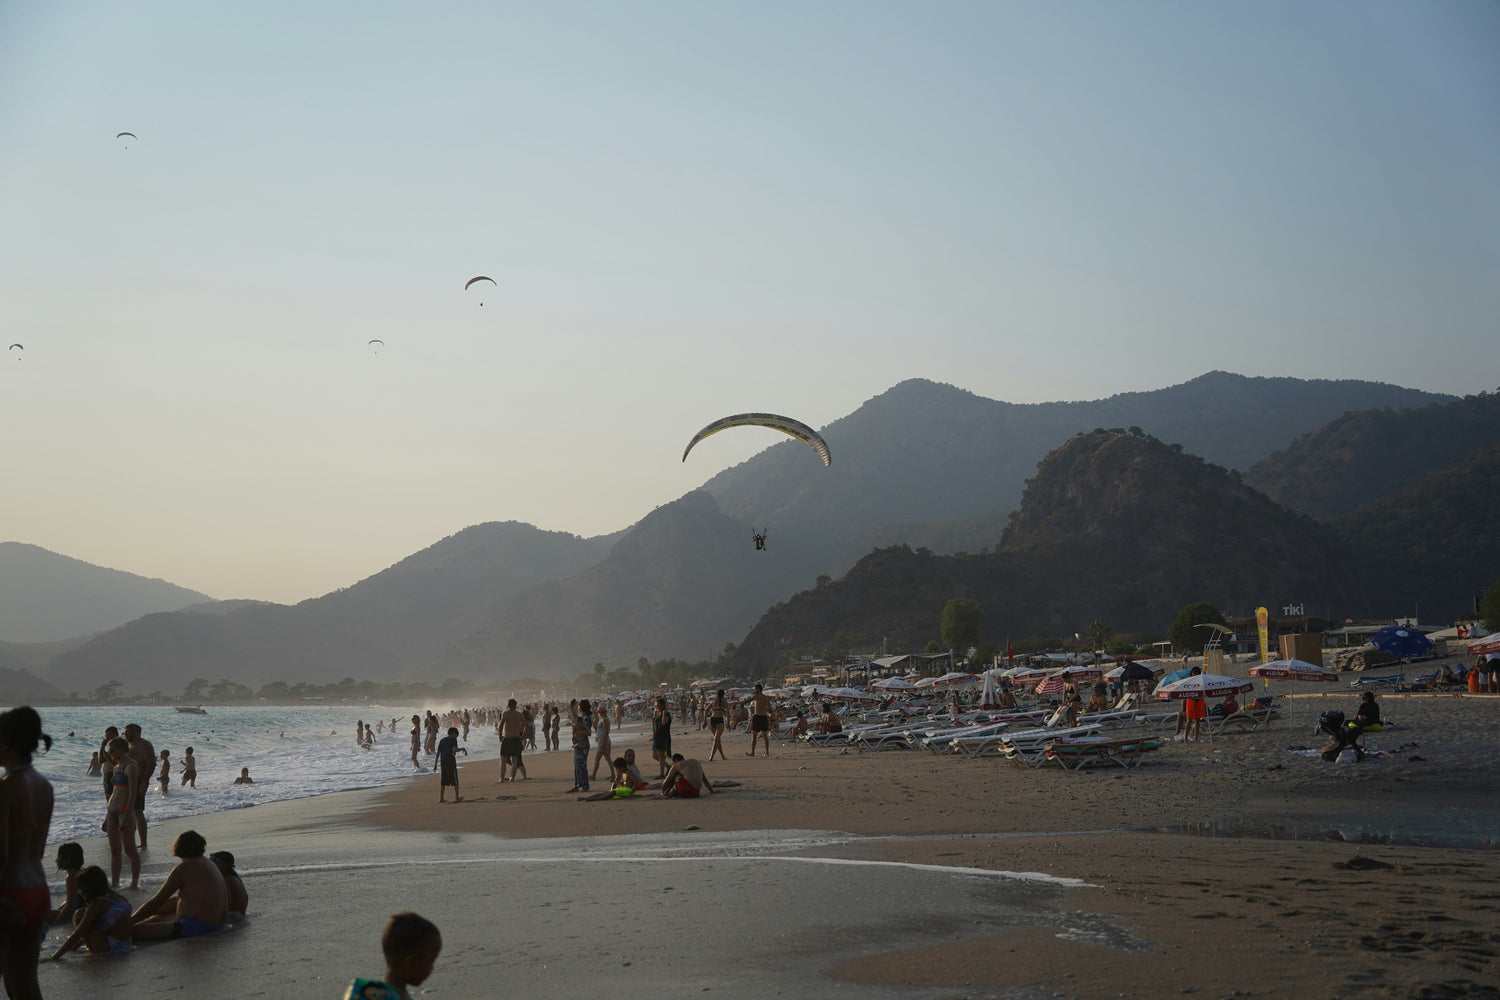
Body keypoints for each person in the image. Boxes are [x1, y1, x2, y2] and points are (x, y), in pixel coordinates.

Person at [0, 706, 54, 998]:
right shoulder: (43, 784)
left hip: (8, 896)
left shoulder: (6, 788)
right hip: (37, 891)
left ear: (6, 741)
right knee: (25, 986)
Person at [130, 830, 228, 940]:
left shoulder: (184, 868)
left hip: (197, 927)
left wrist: (129, 922)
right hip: (217, 923)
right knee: (156, 917)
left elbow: (157, 901)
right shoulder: (209, 863)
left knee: (131, 932)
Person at [343, 912, 442, 1000]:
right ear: (412, 962)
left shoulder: (366, 992)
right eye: (431, 961)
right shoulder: (369, 995)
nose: (432, 968)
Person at [47, 866, 132, 958]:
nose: (80, 892)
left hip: (110, 949)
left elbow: (78, 932)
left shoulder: (97, 904)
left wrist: (54, 957)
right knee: (90, 918)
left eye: (81, 888)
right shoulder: (120, 899)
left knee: (79, 914)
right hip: (125, 946)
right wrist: (74, 946)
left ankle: (95, 951)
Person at [102, 736, 140, 889]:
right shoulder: (117, 767)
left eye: (112, 750)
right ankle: (115, 882)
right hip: (112, 811)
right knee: (114, 850)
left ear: (122, 749)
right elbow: (114, 792)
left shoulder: (131, 767)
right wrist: (106, 816)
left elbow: (132, 794)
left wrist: (127, 816)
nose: (110, 752)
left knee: (130, 849)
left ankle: (134, 882)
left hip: (125, 811)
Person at [123, 723, 155, 852]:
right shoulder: (130, 745)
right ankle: (131, 840)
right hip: (129, 782)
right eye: (125, 732)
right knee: (129, 811)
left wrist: (144, 782)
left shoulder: (144, 745)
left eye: (128, 732)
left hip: (139, 781)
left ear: (136, 732)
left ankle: (143, 843)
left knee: (137, 811)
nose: (125, 734)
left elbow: (151, 764)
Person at [47, 843, 84, 925]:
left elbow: (70, 905)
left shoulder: (71, 877)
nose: (56, 861)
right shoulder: (81, 872)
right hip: (82, 910)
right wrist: (60, 908)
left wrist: (57, 921)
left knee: (44, 915)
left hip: (77, 913)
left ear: (67, 860)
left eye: (58, 857)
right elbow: (70, 899)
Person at [580, 758, 644, 801]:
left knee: (613, 792)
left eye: (617, 769)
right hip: (624, 789)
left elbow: (636, 783)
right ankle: (588, 798)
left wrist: (631, 793)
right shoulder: (623, 773)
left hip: (628, 790)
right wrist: (615, 782)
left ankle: (595, 799)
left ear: (621, 767)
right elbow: (624, 784)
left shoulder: (629, 772)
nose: (617, 771)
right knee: (607, 792)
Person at [209, 851, 248, 918]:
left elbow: (226, 904)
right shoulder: (235, 877)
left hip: (232, 918)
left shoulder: (226, 880)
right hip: (240, 916)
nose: (211, 865)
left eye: (213, 862)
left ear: (223, 865)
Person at [498, 700, 527, 782]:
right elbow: (526, 726)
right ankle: (512, 778)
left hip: (508, 738)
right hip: (516, 738)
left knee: (503, 760)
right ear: (515, 705)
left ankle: (502, 778)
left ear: (508, 705)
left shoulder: (506, 714)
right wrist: (523, 736)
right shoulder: (519, 715)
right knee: (514, 760)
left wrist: (500, 736)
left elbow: (501, 726)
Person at [567, 700, 592, 794]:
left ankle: (585, 786)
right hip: (578, 743)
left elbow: (587, 732)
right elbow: (575, 719)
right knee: (577, 766)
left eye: (578, 707)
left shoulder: (587, 719)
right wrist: (571, 708)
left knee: (582, 766)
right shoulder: (584, 718)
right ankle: (577, 785)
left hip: (583, 744)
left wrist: (576, 730)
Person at [436, 727, 467, 803]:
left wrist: (435, 764)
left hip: (443, 762)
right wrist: (463, 749)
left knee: (443, 780)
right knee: (455, 779)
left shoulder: (442, 740)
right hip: (450, 761)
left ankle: (441, 798)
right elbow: (454, 750)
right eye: (456, 735)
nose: (456, 737)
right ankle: (456, 798)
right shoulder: (453, 740)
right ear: (453, 733)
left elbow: (438, 752)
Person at [745, 683, 774, 756]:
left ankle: (752, 752)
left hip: (757, 716)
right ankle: (767, 752)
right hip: (764, 716)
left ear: (758, 689)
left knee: (754, 735)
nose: (754, 690)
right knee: (765, 735)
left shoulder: (756, 696)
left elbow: (749, 700)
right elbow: (769, 709)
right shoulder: (765, 697)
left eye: (755, 689)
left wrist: (739, 702)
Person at [590, 706, 613, 781]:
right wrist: (595, 727)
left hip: (604, 741)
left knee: (597, 759)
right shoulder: (604, 719)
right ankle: (613, 775)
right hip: (603, 740)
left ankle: (593, 775)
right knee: (608, 758)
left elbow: (606, 732)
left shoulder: (604, 720)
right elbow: (601, 731)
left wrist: (603, 744)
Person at [707, 689, 729, 760]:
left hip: (714, 720)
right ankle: (722, 756)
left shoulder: (715, 701)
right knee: (717, 739)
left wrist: (704, 721)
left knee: (716, 739)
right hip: (716, 720)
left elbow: (706, 710)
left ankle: (712, 756)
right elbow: (728, 713)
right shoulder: (722, 702)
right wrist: (728, 723)